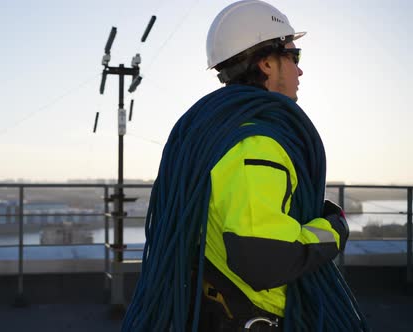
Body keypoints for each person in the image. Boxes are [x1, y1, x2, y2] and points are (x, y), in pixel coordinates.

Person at [122, 1, 366, 331]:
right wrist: (335, 228)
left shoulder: (217, 135)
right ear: (267, 63)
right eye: (295, 56)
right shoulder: (255, 144)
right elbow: (264, 259)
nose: (300, 69)